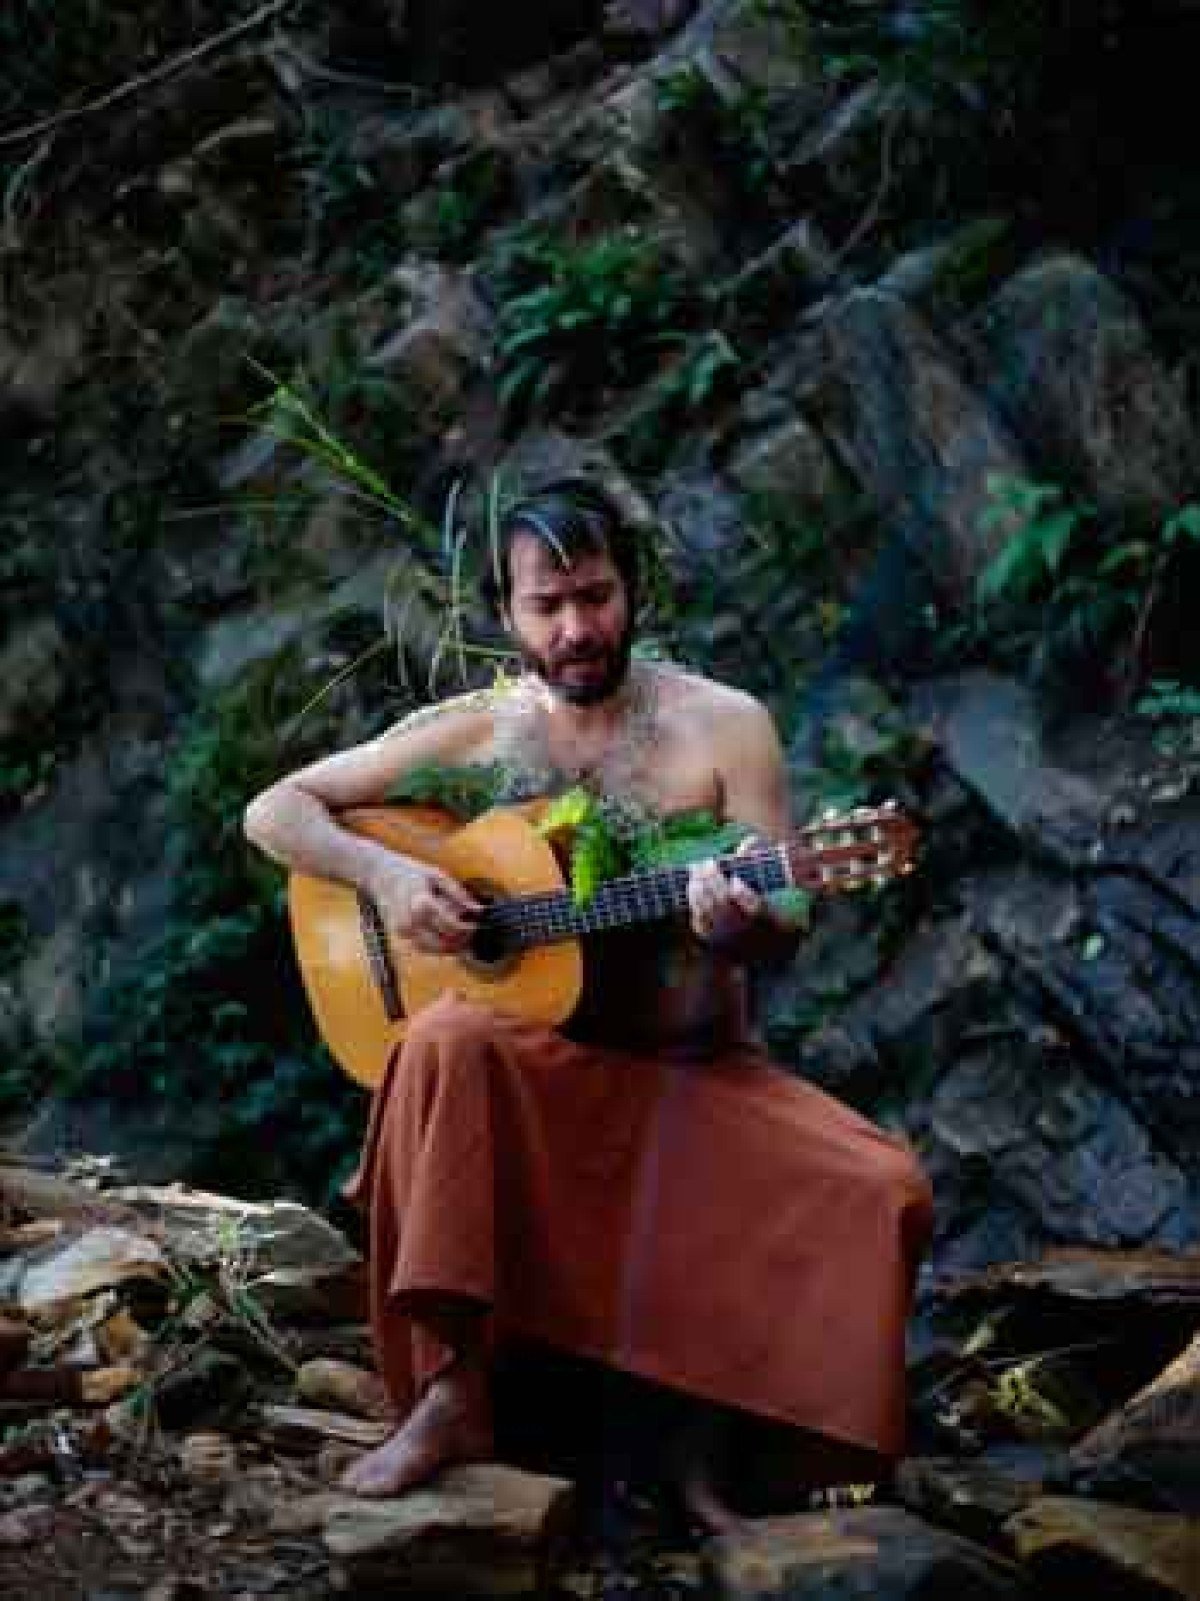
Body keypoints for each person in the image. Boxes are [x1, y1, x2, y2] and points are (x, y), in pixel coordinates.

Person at [243, 478, 934, 1531]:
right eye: (547, 604)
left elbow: (785, 914)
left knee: (883, 1183)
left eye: (596, 595)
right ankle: (454, 1392)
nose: (576, 626)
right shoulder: (480, 730)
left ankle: (728, 1445)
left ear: (634, 589)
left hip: (697, 1070)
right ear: (505, 614)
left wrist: (737, 921)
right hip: (538, 1070)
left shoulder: (726, 726)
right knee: (445, 1036)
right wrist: (385, 878)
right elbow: (275, 809)